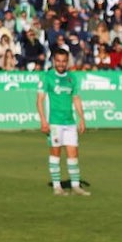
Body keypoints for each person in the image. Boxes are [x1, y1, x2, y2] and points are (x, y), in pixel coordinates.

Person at [37, 47, 88, 196]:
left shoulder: (72, 78)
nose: (60, 64)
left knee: (73, 154)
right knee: (55, 153)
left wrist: (82, 118)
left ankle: (75, 186)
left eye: (63, 61)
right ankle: (57, 186)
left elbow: (76, 98)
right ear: (53, 61)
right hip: (54, 122)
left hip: (70, 122)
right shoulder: (47, 77)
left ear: (67, 62)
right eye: (58, 61)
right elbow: (39, 101)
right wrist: (43, 121)